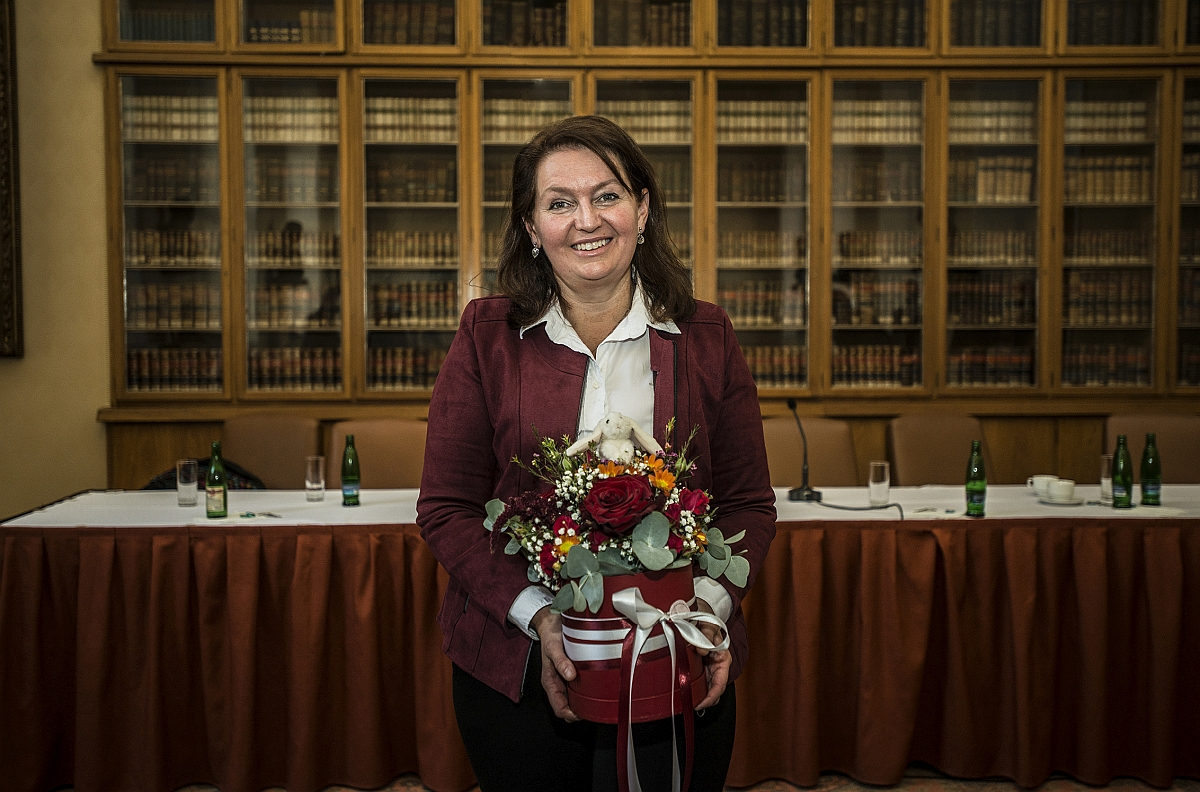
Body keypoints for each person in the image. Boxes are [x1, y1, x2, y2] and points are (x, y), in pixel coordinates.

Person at [417, 115, 776, 792]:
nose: (587, 221)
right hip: (515, 666)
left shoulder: (707, 336)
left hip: (675, 659)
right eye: (559, 203)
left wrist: (704, 610)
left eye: (606, 196)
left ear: (642, 208)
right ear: (531, 228)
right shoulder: (486, 336)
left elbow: (749, 505)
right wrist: (539, 615)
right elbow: (446, 508)